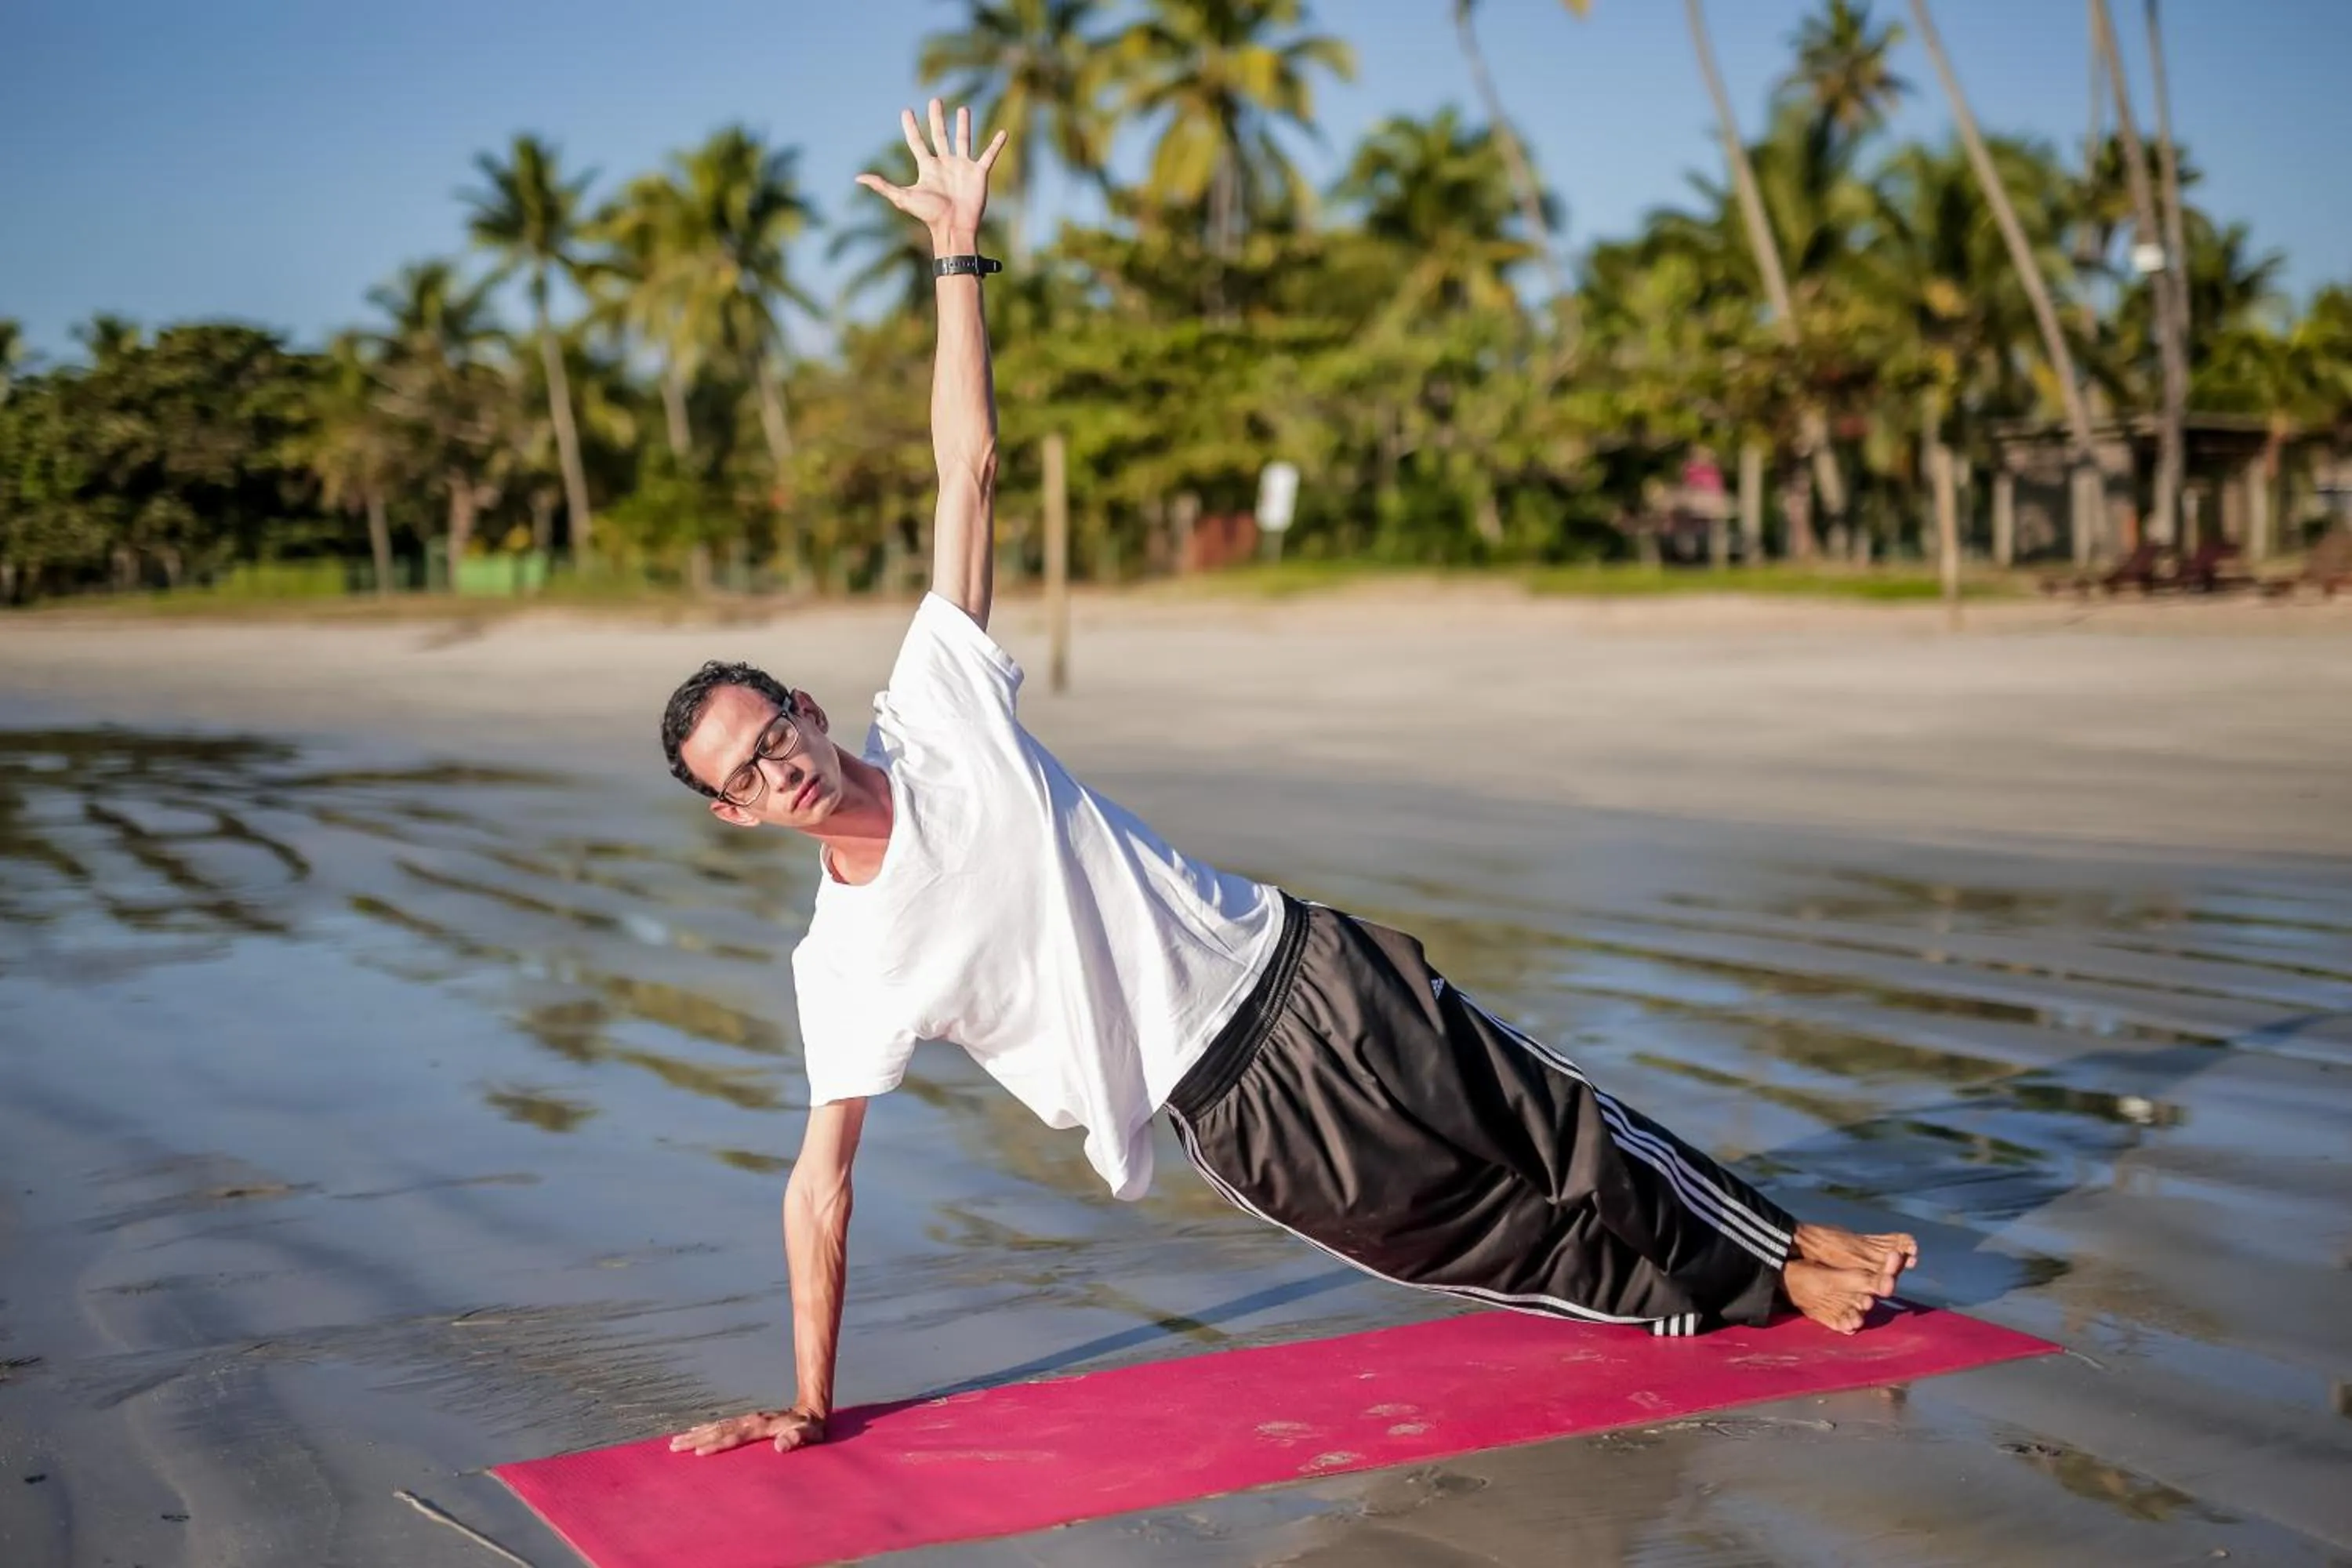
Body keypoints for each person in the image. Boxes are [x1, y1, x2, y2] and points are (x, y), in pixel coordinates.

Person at [662, 103, 1918, 1460]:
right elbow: (821, 1186)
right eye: (748, 777)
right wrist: (810, 1400)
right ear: (736, 813)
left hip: (1300, 969)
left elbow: (964, 468)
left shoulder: (935, 702)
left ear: (803, 709)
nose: (780, 768)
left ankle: (1786, 1248)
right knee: (1482, 1238)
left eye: (772, 732)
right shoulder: (841, 962)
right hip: (1229, 1112)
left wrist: (957, 256)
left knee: (1553, 1127)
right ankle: (1741, 1293)